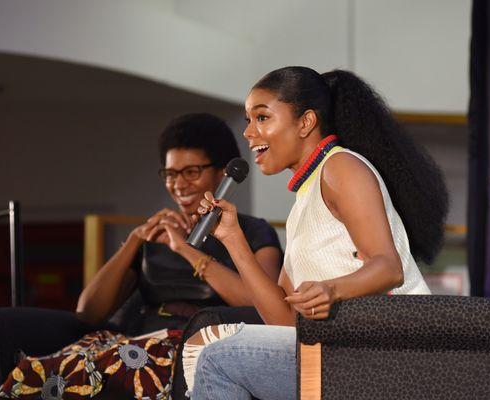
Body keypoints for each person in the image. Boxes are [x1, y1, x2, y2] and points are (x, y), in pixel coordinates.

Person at [182, 67, 448, 399]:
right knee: (208, 347)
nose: (249, 133)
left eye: (262, 118)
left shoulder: (342, 167)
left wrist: (332, 290)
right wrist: (234, 240)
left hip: (391, 351)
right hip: (344, 348)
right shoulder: (302, 206)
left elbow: (388, 267)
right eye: (248, 120)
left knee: (217, 358)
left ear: (306, 122)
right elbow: (284, 320)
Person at [76, 113, 283, 334]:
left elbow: (263, 308)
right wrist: (135, 239)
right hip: (142, 346)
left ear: (223, 173)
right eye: (171, 174)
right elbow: (88, 313)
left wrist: (184, 249)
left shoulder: (255, 232)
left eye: (191, 172)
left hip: (208, 347)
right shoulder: (156, 236)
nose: (179, 185)